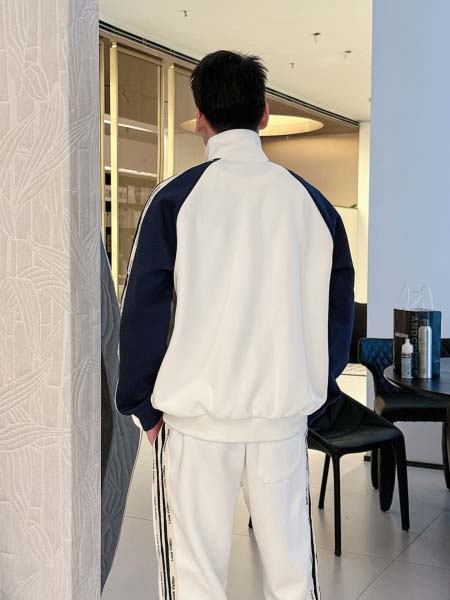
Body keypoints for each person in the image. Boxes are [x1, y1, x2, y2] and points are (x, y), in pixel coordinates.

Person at [116, 50, 354, 600]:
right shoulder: (313, 205)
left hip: (196, 422)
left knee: (195, 579)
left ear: (200, 118)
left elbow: (144, 307)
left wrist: (142, 403)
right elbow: (337, 307)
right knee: (292, 576)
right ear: (264, 113)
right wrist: (315, 387)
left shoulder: (176, 200)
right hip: (281, 420)